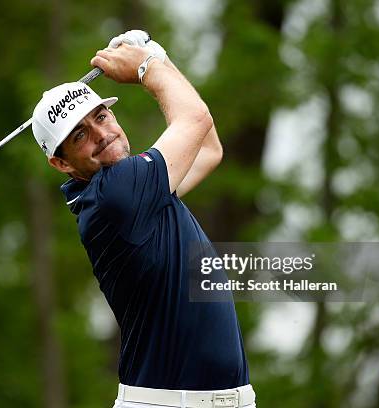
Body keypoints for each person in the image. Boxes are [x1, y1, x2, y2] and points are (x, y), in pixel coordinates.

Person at [31, 30, 255, 408]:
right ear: (62, 163)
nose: (102, 134)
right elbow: (196, 118)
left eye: (101, 115)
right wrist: (148, 66)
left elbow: (209, 148)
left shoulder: (132, 193)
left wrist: (158, 60)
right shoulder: (118, 194)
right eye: (80, 134)